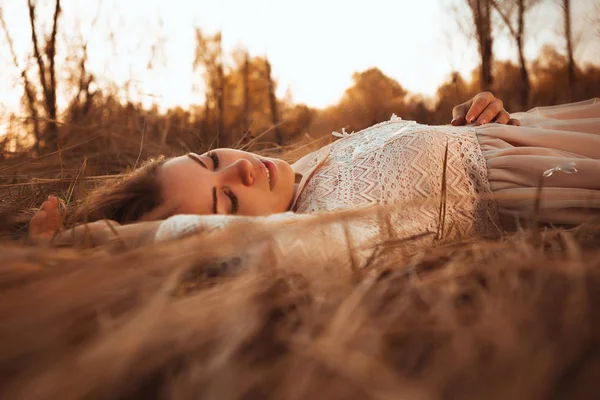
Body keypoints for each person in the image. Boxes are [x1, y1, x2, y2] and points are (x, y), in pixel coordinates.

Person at [29, 93, 600, 267]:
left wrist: (475, 120)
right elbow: (242, 245)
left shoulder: (308, 170)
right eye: (227, 200)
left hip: (545, 132)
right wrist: (91, 243)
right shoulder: (324, 229)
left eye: (210, 158)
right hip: (564, 173)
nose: (242, 167)